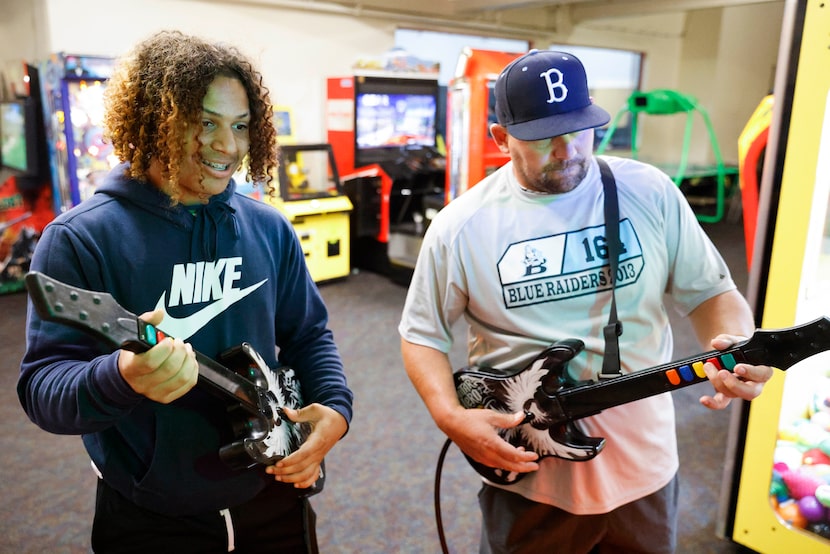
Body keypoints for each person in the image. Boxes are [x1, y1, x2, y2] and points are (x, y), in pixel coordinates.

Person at [398, 49, 774, 553]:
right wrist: (450, 417)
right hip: (530, 480)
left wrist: (734, 346)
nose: (568, 148)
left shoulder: (649, 192)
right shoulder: (460, 227)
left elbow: (711, 292)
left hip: (644, 470)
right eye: (544, 137)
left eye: (580, 128)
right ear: (501, 138)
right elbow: (421, 335)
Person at [18, 30, 353, 553]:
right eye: (206, 124)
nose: (228, 146)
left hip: (275, 487)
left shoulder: (269, 228)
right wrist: (121, 377)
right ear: (155, 124)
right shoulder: (80, 239)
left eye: (240, 126)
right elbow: (43, 390)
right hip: (153, 514)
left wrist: (334, 409)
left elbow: (309, 334)